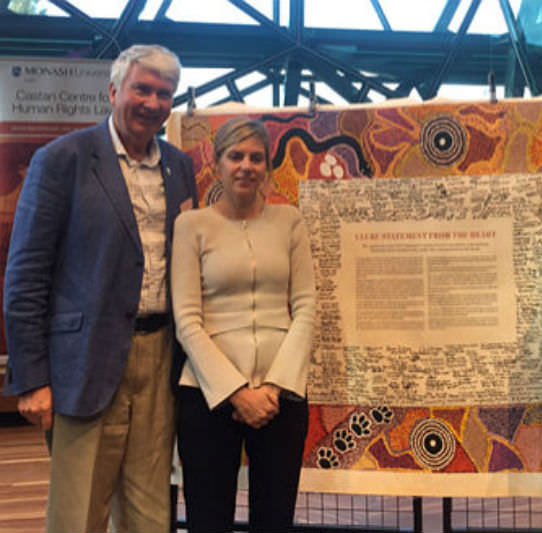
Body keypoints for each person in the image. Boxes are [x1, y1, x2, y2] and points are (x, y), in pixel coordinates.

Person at [2, 44, 197, 532]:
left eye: (164, 93)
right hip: (84, 362)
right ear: (113, 91)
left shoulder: (179, 167)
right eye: (142, 89)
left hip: (160, 358)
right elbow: (26, 274)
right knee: (78, 510)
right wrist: (32, 378)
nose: (152, 102)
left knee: (150, 509)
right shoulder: (62, 160)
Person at [171, 117, 316, 533]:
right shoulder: (191, 226)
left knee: (275, 519)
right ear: (218, 163)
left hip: (281, 395)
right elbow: (187, 319)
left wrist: (273, 387)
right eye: (236, 156)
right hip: (207, 394)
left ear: (268, 166)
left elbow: (305, 306)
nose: (246, 166)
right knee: (208, 518)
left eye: (256, 157)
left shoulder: (290, 221)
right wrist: (235, 392)